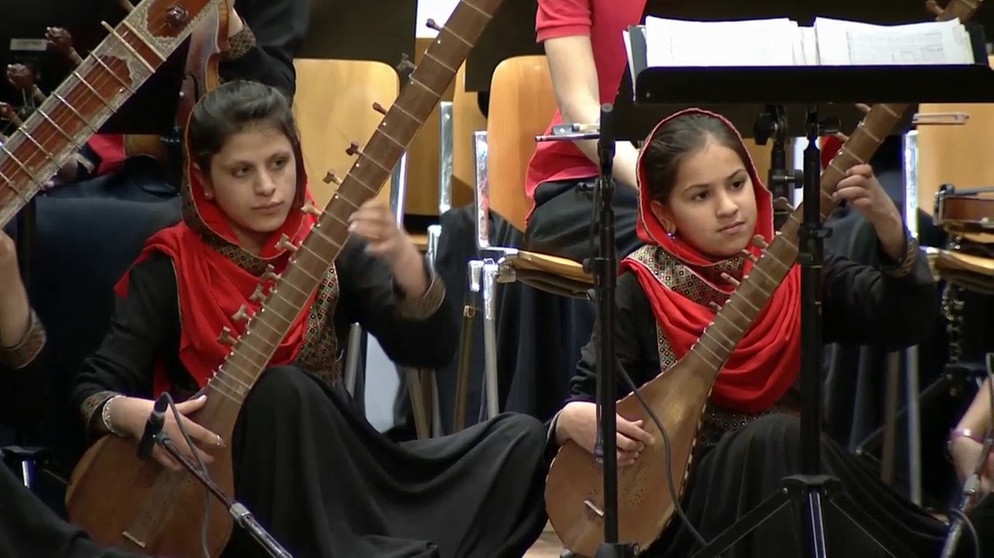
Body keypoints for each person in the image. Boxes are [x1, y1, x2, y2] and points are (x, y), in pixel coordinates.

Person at [70, 80, 548, 558]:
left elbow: (431, 352)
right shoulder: (170, 266)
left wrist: (409, 267)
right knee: (281, 391)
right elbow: (94, 389)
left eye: (279, 163)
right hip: (228, 497)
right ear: (205, 180)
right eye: (241, 171)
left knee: (522, 441)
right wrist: (136, 415)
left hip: (338, 479)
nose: (267, 187)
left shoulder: (327, 246)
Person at [549, 108, 990, 556]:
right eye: (700, 196)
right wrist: (580, 420)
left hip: (795, 491)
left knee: (967, 531)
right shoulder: (641, 287)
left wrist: (888, 226)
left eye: (737, 184)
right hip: (687, 513)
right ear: (663, 212)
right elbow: (586, 404)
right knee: (774, 438)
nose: (728, 208)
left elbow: (903, 322)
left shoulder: (793, 264)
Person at [522, 0, 647, 262]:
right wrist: (655, 179)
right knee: (667, 239)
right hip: (588, 176)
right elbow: (576, 103)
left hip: (697, 176)